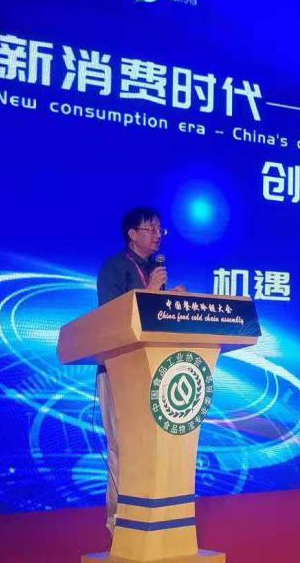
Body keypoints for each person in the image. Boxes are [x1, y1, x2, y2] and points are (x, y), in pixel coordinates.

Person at [95, 206, 184, 533]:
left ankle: (151, 519)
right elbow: (111, 319)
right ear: (132, 234)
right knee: (122, 447)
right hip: (118, 369)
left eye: (160, 229)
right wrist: (151, 293)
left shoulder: (155, 271)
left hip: (153, 369)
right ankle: (118, 523)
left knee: (150, 447)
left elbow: (152, 322)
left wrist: (170, 302)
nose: (158, 235)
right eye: (151, 229)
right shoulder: (115, 268)